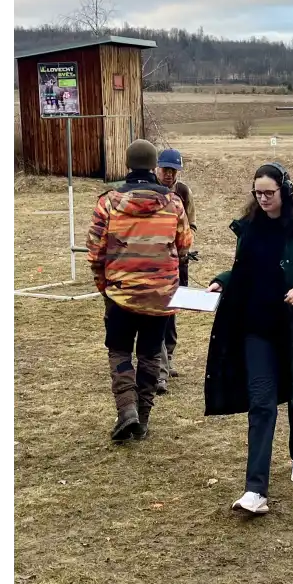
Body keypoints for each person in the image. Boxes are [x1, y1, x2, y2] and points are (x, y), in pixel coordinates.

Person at [202, 163, 293, 515]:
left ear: (285, 191)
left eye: (269, 193)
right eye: (258, 193)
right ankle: (255, 491)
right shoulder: (249, 227)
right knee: (261, 403)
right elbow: (247, 270)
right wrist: (224, 280)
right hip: (257, 329)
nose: (263, 199)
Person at [85, 139, 193, 442]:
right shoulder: (174, 203)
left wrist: (104, 287)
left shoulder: (108, 202)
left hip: (120, 294)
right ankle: (142, 418)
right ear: (154, 166)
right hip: (160, 297)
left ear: (128, 164)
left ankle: (126, 410)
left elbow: (95, 251)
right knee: (150, 355)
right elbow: (185, 245)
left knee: (119, 351)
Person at [155, 147, 197, 395]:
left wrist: (183, 251)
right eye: (165, 169)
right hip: (155, 263)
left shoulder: (183, 192)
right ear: (156, 168)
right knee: (158, 312)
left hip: (178, 261)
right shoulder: (150, 191)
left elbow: (190, 225)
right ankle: (158, 364)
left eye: (173, 170)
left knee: (172, 310)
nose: (169, 174)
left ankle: (168, 357)